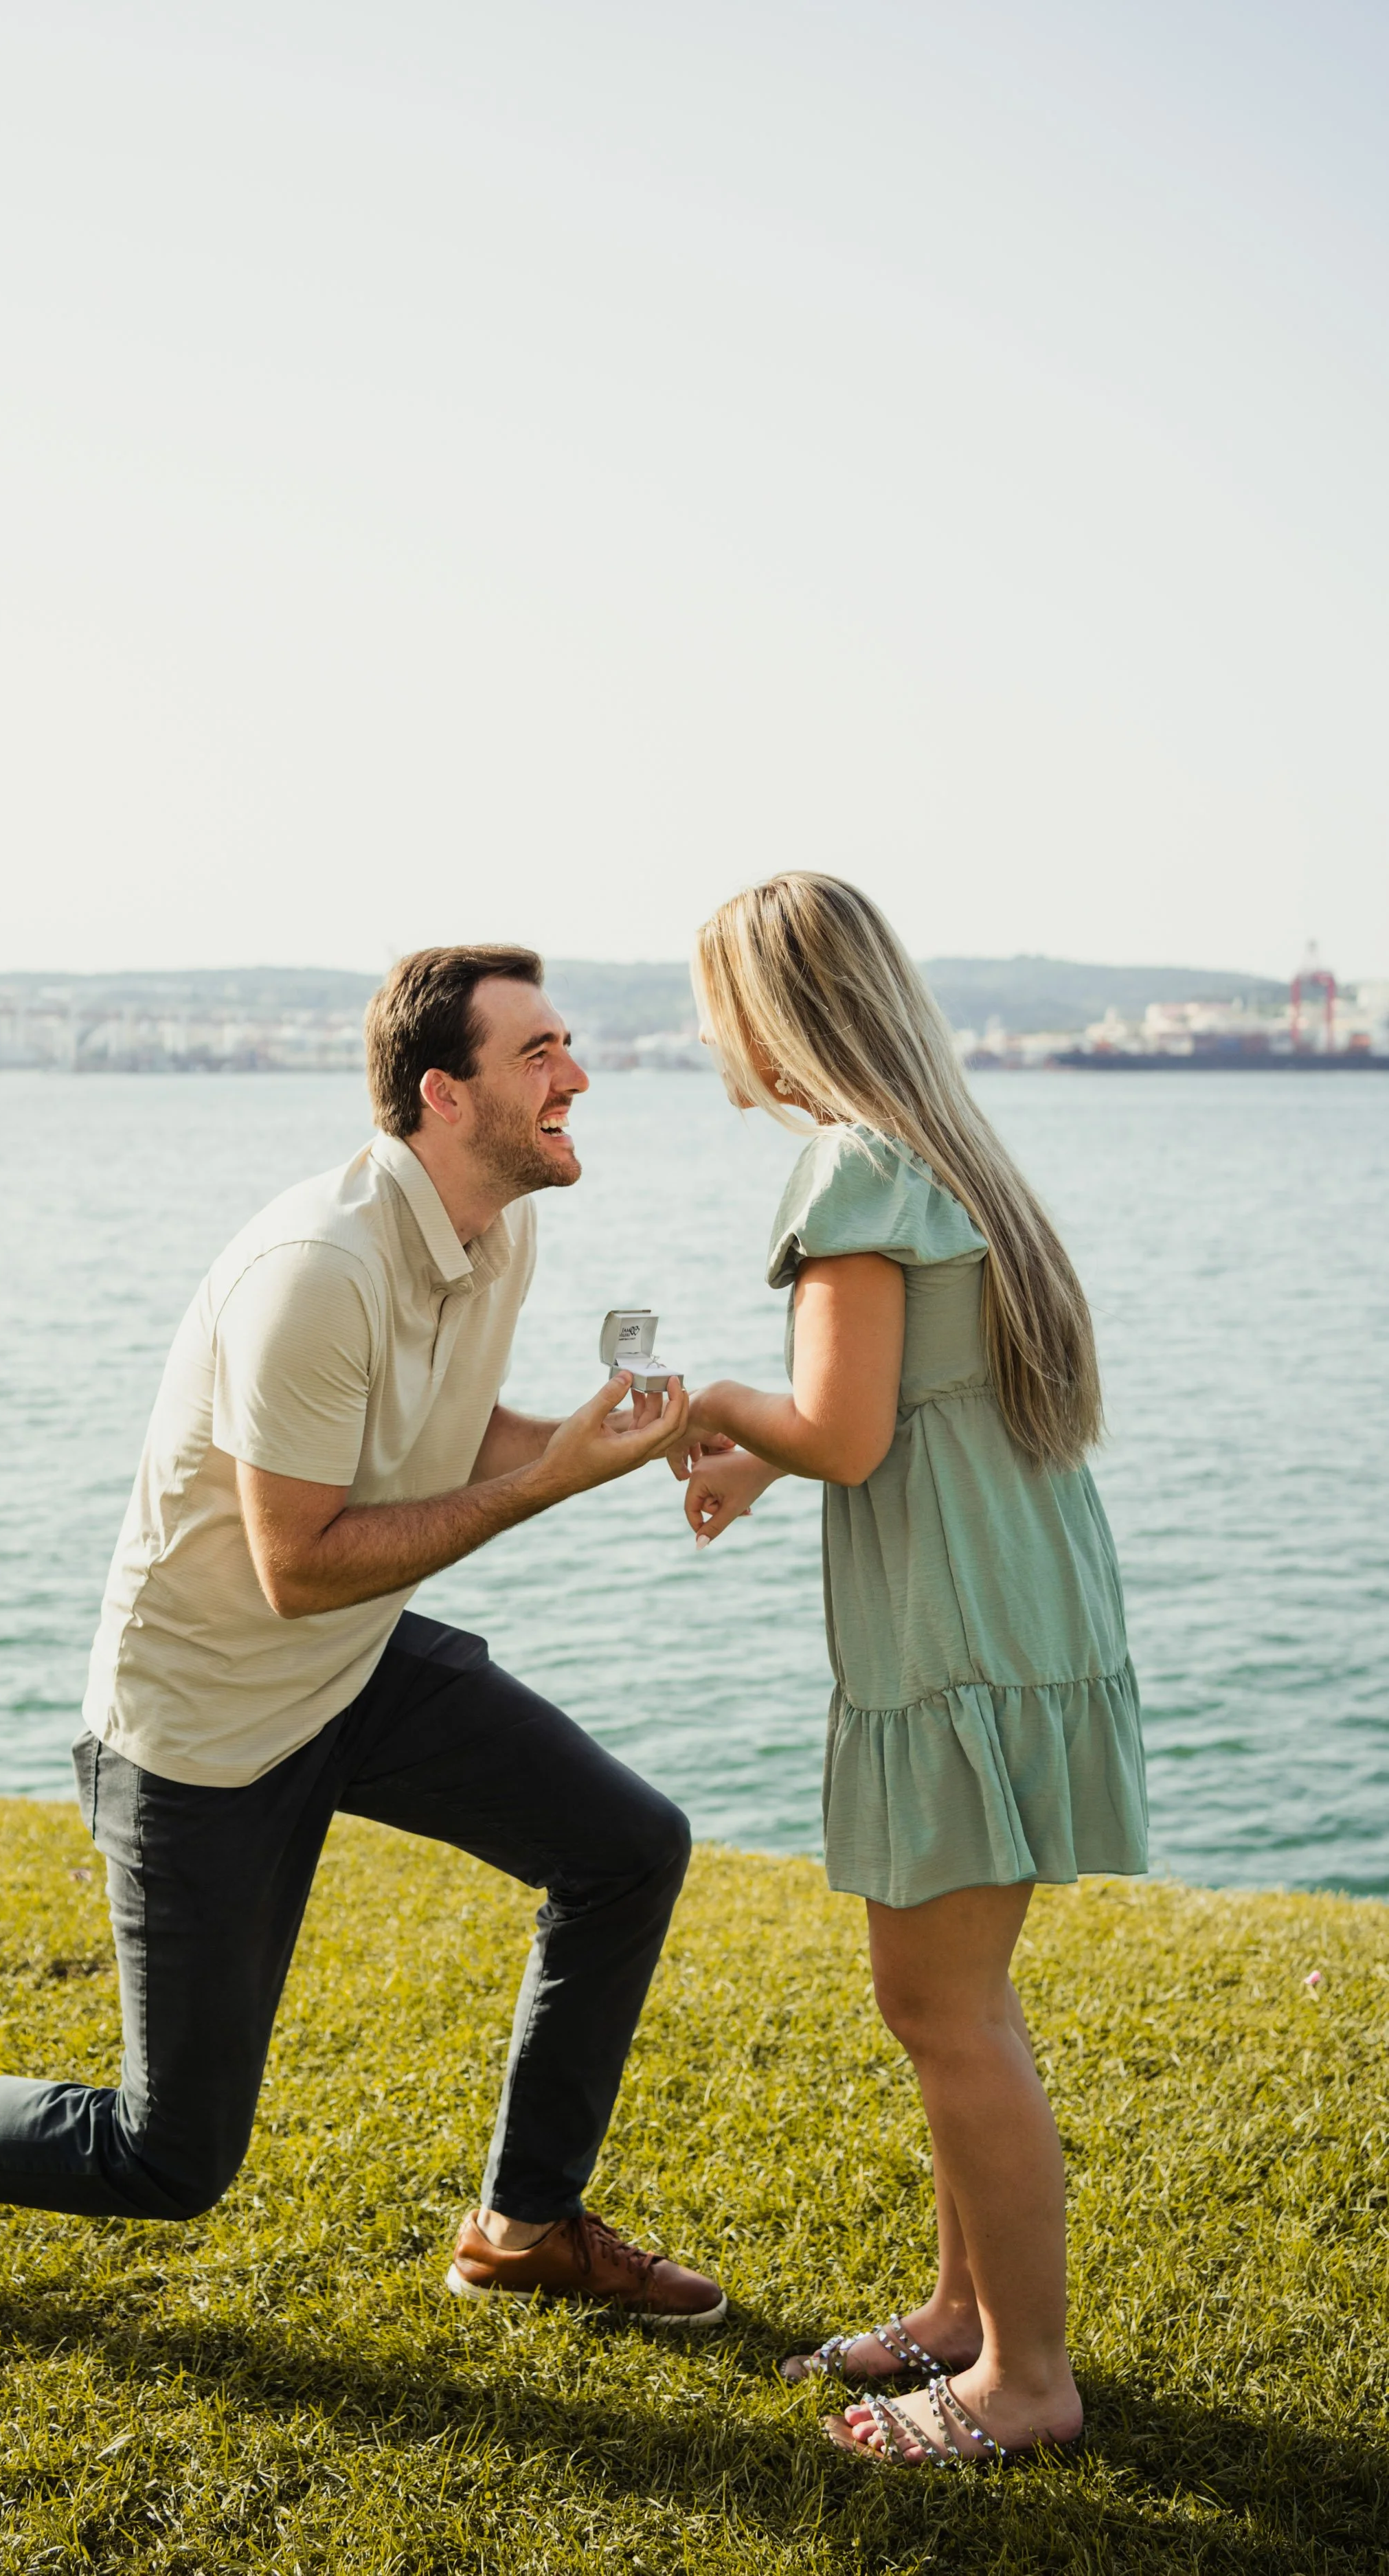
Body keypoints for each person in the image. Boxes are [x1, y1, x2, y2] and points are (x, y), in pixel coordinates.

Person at [0, 945, 726, 2327]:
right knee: (165, 2154)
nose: (578, 1073)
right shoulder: (317, 1269)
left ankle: (521, 2225)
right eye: (539, 1053)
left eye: (566, 1043)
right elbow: (297, 1564)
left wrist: (571, 1442)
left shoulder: (500, 1225)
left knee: (624, 1848)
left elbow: (433, 1438)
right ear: (443, 1093)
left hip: (353, 1667)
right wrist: (538, 1482)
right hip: (205, 1724)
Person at [673, 873, 1147, 2466]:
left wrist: (718, 1409)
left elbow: (845, 1427)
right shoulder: (944, 1153)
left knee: (937, 2006)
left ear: (763, 1013)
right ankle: (962, 2315)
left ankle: (1023, 2382)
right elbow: (897, 1407)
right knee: (960, 1996)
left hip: (951, 1630)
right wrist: (766, 1456)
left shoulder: (849, 1169)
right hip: (1017, 1603)